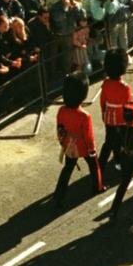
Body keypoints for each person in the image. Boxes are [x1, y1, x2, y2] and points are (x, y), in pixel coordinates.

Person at [54, 73, 103, 207]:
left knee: (67, 170)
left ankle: (58, 195)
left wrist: (63, 144)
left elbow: (60, 129)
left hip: (70, 145)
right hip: (83, 146)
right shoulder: (84, 116)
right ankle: (98, 187)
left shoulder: (61, 111)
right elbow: (88, 136)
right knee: (94, 166)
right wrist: (91, 149)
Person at [98, 47, 133, 174]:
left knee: (109, 141)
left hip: (109, 117)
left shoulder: (106, 83)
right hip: (121, 118)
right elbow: (129, 105)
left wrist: (104, 114)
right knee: (122, 141)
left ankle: (105, 164)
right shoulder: (125, 87)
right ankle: (119, 163)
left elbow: (103, 102)